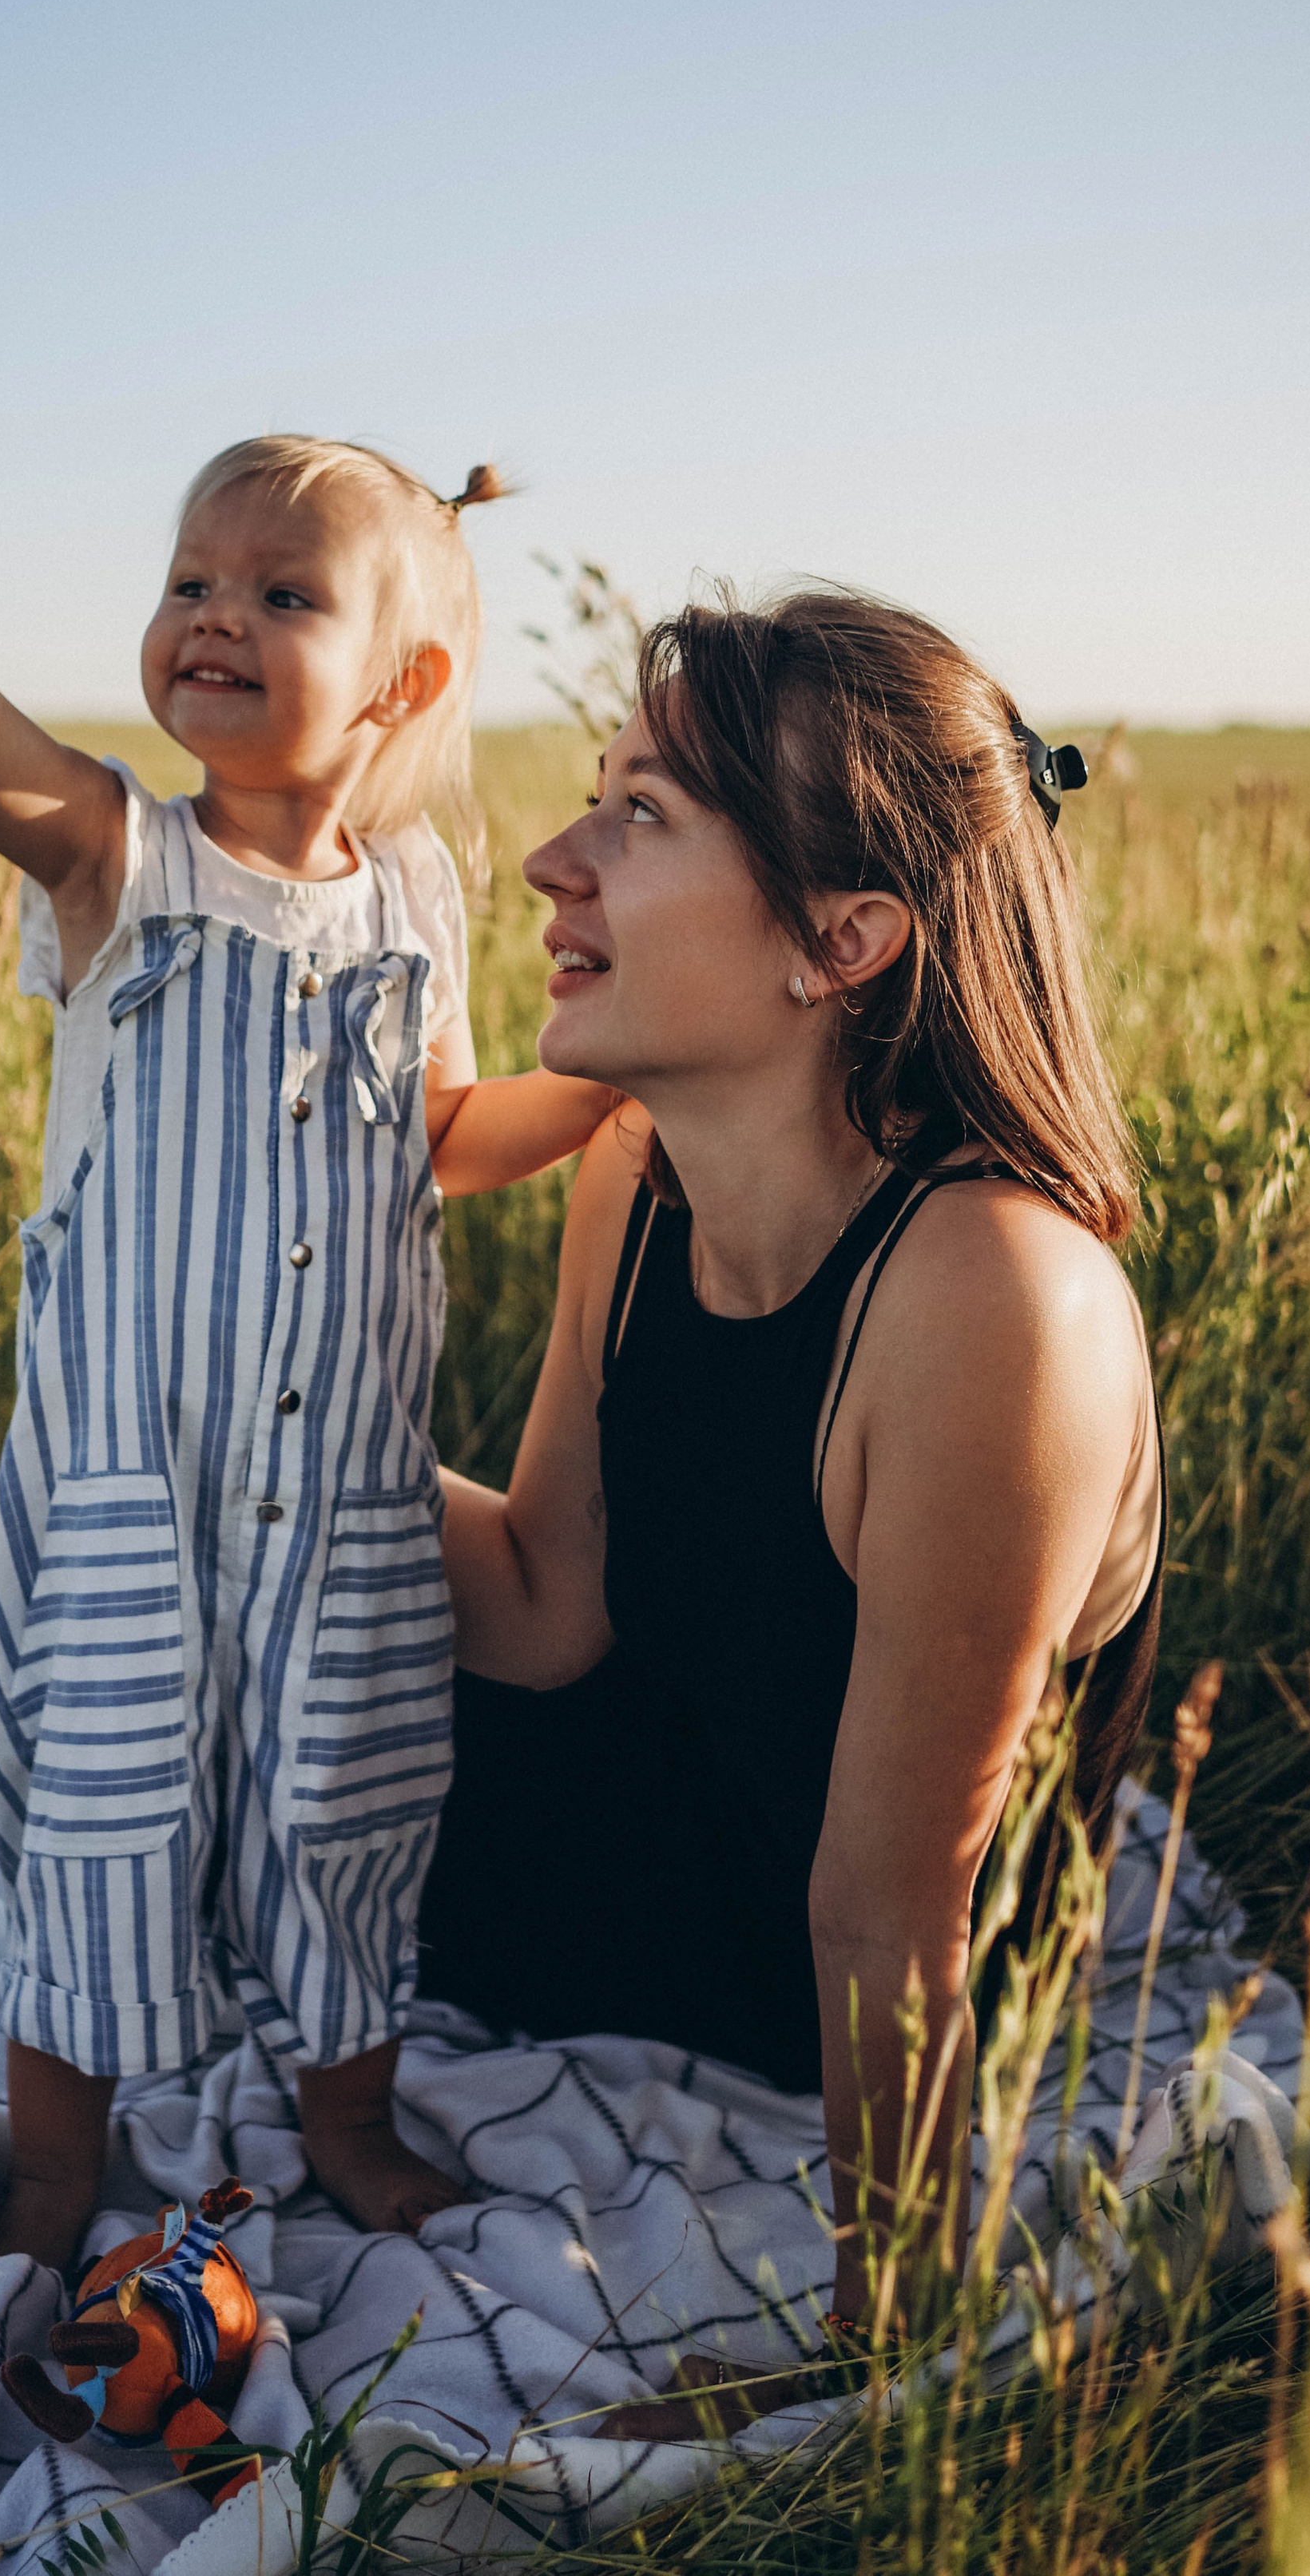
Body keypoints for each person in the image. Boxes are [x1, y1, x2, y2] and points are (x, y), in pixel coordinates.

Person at [0, 410, 614, 2257]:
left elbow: (447, 1137)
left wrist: (611, 1093)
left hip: (339, 1503)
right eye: (188, 582)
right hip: (127, 1501)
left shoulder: (414, 900)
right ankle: (57, 2160)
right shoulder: (114, 859)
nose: (210, 616)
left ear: (404, 679)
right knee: (99, 1827)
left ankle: (349, 2121)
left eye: (278, 593)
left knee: (346, 1815)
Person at [419, 585, 1162, 2372]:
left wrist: (866, 2355)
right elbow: (537, 1607)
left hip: (819, 1956)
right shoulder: (636, 1164)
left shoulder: (990, 1295)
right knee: (227, 1741)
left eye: (641, 815)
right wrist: (238, 1436)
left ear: (840, 940)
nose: (546, 860)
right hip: (668, 1814)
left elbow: (889, 1902)